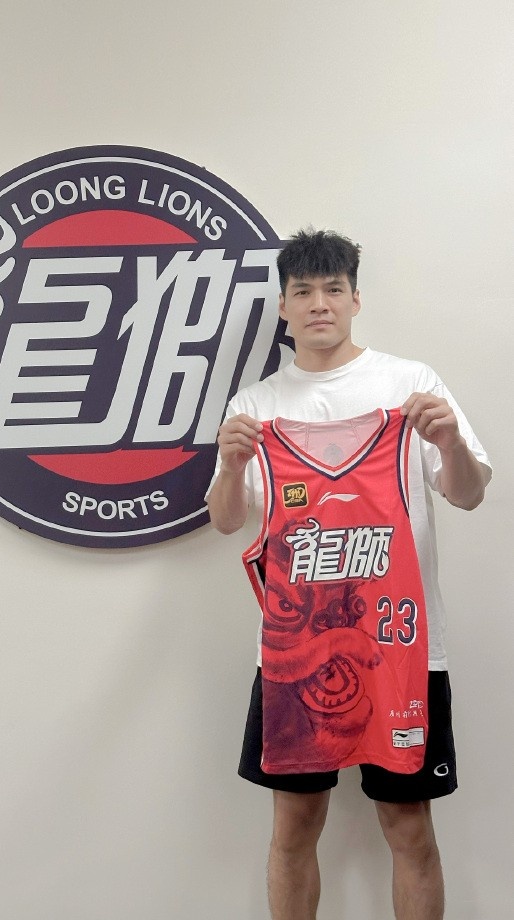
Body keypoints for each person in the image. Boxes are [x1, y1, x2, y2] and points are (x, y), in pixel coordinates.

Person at [206, 229, 491, 920]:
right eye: (302, 291)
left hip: (405, 646)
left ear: (355, 299)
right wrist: (233, 465)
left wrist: (450, 441)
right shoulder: (255, 408)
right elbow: (225, 520)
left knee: (409, 826)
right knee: (294, 827)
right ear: (283, 306)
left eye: (333, 289)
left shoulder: (411, 386)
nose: (319, 304)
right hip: (295, 654)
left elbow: (469, 493)